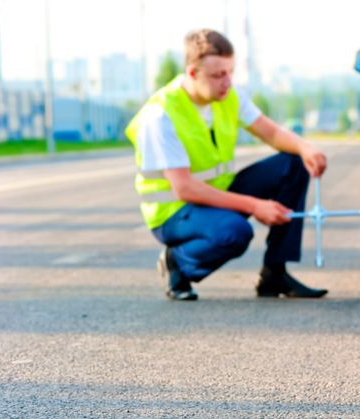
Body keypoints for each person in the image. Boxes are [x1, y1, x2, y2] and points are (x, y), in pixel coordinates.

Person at [125, 29, 328, 301]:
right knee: (235, 233)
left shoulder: (228, 96)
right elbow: (185, 189)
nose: (227, 82)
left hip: (214, 197)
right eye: (218, 75)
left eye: (230, 72)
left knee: (293, 164)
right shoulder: (161, 114)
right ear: (193, 73)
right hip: (175, 212)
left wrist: (305, 148)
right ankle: (178, 262)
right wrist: (255, 206)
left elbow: (272, 133)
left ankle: (274, 273)